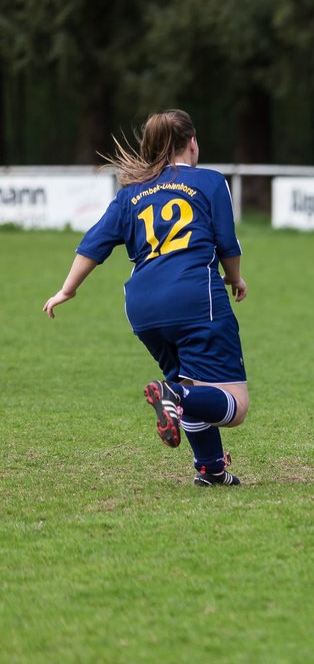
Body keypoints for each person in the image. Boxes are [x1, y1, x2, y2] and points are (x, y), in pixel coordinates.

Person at [42, 110, 250, 485]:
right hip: (194, 297)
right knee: (233, 406)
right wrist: (235, 279)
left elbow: (94, 244)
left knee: (188, 383)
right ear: (192, 143)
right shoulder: (211, 182)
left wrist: (67, 289)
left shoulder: (131, 193)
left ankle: (211, 469)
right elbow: (226, 243)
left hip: (142, 306)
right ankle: (174, 395)